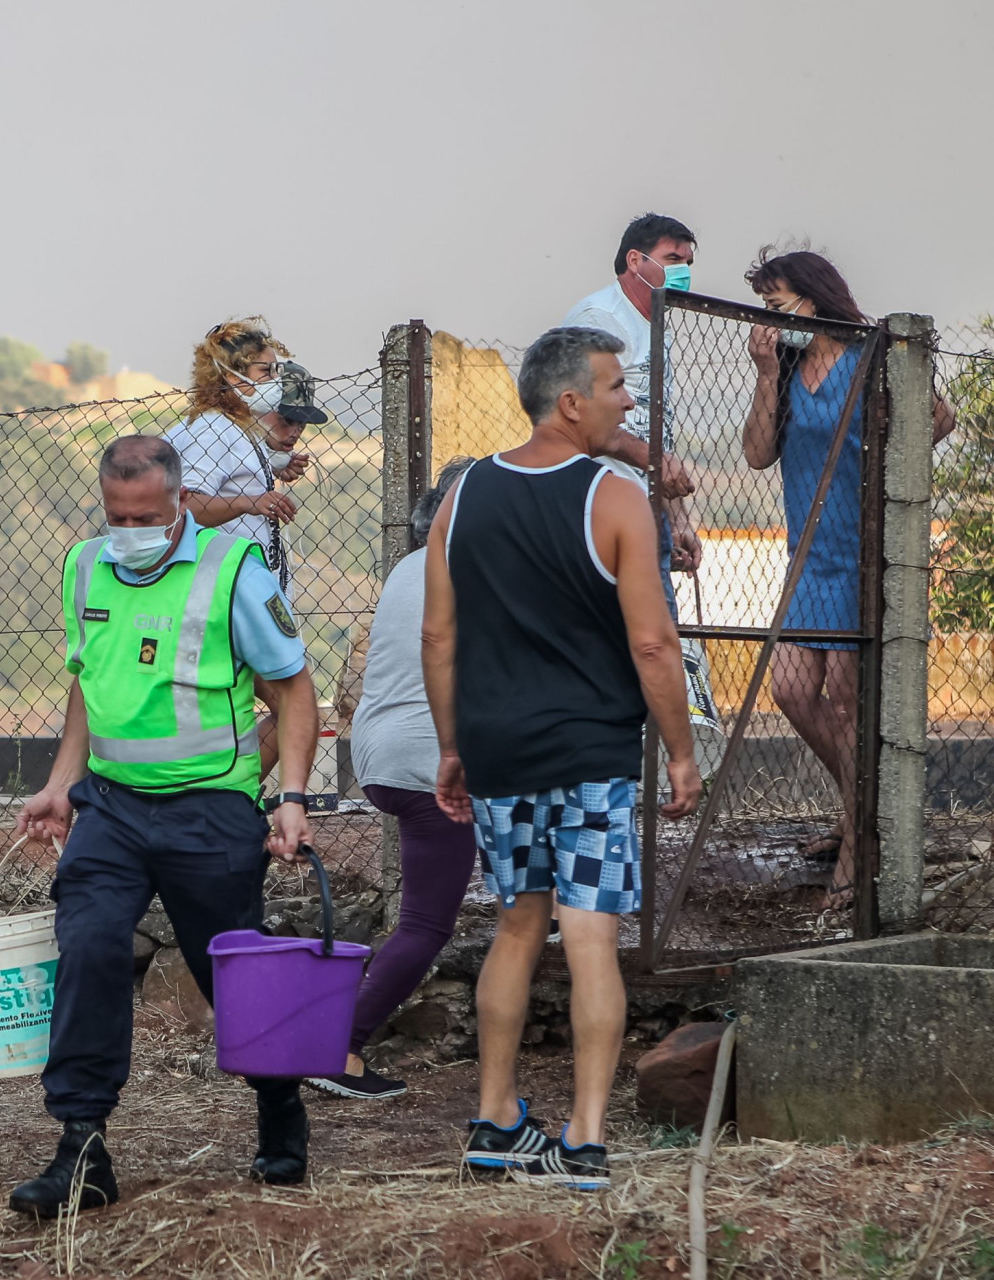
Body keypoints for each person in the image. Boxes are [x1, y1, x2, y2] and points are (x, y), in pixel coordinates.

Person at [9, 435, 320, 1216]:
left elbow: (294, 689)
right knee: (88, 948)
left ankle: (279, 1105)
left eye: (145, 514)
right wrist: (60, 783)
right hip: (109, 807)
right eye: (117, 515)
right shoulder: (85, 565)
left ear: (182, 501)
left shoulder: (233, 571)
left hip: (211, 808)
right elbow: (89, 681)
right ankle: (81, 1148)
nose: (130, 529)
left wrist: (291, 796)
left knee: (232, 973)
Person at [423, 328, 702, 1191]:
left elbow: (439, 634)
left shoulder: (462, 495)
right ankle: (583, 1139)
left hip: (499, 748)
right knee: (589, 939)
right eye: (617, 387)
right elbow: (653, 645)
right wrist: (683, 755)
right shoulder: (614, 497)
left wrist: (452, 746)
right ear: (571, 400)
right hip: (590, 750)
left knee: (516, 926)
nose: (628, 402)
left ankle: (493, 1118)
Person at [742, 248, 955, 904]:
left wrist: (892, 476)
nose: (771, 320)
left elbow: (941, 417)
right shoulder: (787, 367)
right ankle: (863, 810)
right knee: (791, 690)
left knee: (847, 696)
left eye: (778, 307)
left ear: (813, 297)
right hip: (808, 556)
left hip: (863, 555)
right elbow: (755, 454)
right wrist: (764, 371)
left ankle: (862, 843)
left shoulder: (874, 356)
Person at [306, 455, 477, 1103]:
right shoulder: (476, 565)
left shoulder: (409, 566)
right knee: (426, 925)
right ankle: (340, 1046)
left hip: (379, 753)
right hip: (431, 756)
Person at [563, 213, 704, 613]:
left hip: (645, 509)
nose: (683, 272)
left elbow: (656, 429)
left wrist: (676, 519)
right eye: (673, 259)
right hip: (601, 506)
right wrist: (654, 460)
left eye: (688, 264)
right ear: (635, 261)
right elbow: (583, 419)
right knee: (637, 640)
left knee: (653, 636)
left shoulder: (657, 326)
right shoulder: (600, 320)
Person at [165, 319, 311, 592]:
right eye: (265, 372)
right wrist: (251, 502)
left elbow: (228, 472)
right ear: (232, 376)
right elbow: (186, 506)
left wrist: (274, 467)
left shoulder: (233, 426)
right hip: (225, 585)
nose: (275, 382)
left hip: (240, 580)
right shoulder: (213, 428)